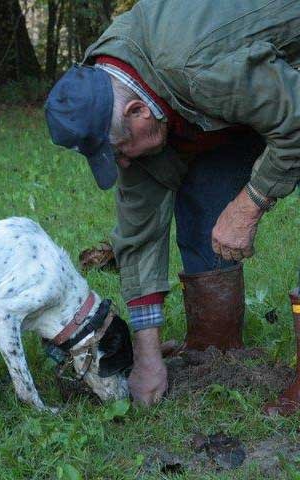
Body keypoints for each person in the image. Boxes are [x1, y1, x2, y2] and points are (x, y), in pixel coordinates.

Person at [45, 0, 300, 405]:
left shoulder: (199, 69)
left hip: (287, 85)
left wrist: (250, 202)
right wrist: (148, 358)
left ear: (139, 111)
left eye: (119, 151)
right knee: (202, 192)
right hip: (244, 92)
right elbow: (138, 233)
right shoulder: (115, 78)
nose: (122, 163)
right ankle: (216, 349)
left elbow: (295, 118)